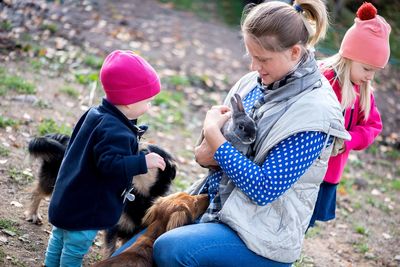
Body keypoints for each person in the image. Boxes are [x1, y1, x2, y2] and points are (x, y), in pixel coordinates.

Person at [112, 0, 350, 266]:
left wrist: (214, 137)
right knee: (131, 252)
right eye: (250, 55)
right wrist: (204, 150)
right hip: (215, 206)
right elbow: (207, 154)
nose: (252, 66)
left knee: (170, 249)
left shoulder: (315, 113)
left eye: (262, 59)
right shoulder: (253, 83)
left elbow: (263, 189)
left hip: (257, 235)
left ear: (295, 52)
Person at [43, 50, 166, 267]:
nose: (150, 106)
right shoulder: (115, 130)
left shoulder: (95, 114)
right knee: (73, 251)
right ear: (129, 102)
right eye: (148, 100)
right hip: (86, 208)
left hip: (68, 197)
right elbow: (109, 164)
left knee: (58, 240)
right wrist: (142, 162)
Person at [309, 2, 390, 227]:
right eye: (366, 69)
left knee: (306, 223)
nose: (370, 77)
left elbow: (373, 126)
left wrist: (349, 139)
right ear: (349, 56)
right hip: (305, 167)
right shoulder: (323, 78)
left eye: (374, 72)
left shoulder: (363, 92)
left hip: (328, 174)